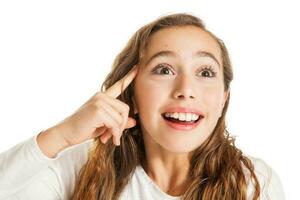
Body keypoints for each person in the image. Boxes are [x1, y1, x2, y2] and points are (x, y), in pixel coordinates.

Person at [0, 13, 285, 200]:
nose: (185, 90)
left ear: (223, 98)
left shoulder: (253, 184)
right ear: (131, 93)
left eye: (205, 72)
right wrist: (62, 135)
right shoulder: (78, 170)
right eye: (164, 69)